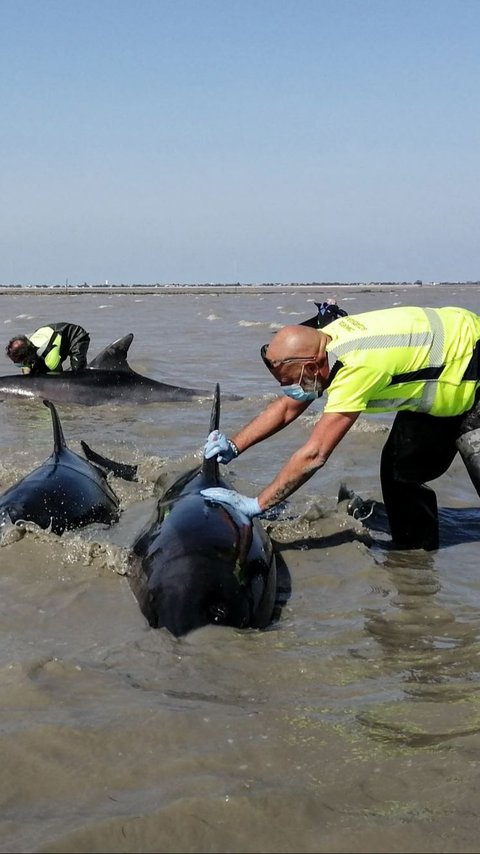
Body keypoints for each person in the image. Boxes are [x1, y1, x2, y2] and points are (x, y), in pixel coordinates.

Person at [200, 301, 480, 551]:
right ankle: (414, 557)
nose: (291, 390)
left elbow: (315, 454)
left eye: (291, 382)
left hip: (472, 370)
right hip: (441, 377)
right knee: (399, 471)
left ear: (311, 366)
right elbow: (287, 407)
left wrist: (257, 505)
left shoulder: (356, 366)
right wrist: (234, 445)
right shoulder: (329, 338)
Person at [6, 322, 90, 375]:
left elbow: (58, 377)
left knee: (77, 373)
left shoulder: (50, 358)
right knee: (37, 372)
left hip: (76, 336)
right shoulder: (28, 342)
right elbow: (27, 369)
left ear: (27, 356)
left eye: (18, 362)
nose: (16, 363)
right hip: (55, 337)